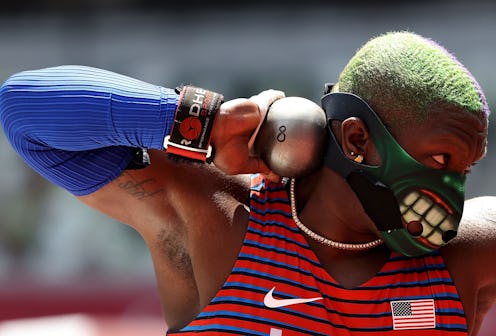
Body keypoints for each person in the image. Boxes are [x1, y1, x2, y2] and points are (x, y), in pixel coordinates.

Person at [0, 31, 493, 335]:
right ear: (357, 138)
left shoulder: (466, 254)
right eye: (440, 159)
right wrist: (202, 122)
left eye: (464, 170)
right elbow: (22, 110)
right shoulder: (221, 216)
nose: (452, 192)